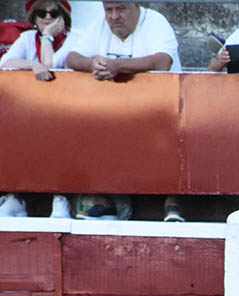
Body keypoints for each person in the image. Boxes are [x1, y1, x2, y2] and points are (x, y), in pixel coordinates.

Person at [62, 1, 183, 223]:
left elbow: (163, 61)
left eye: (121, 9)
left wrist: (118, 66)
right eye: (109, 10)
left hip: (158, 109)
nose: (114, 16)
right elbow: (70, 58)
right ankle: (99, 198)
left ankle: (174, 202)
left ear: (136, 5)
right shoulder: (98, 25)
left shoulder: (155, 22)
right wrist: (91, 64)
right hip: (111, 112)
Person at [0, 0, 74, 219]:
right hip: (32, 112)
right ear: (34, 17)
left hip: (66, 111)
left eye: (54, 13)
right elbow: (5, 63)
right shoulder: (26, 39)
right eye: (42, 13)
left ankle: (60, 198)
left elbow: (50, 65)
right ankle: (16, 197)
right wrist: (32, 65)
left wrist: (48, 37)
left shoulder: (75, 38)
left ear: (63, 18)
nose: (47, 18)